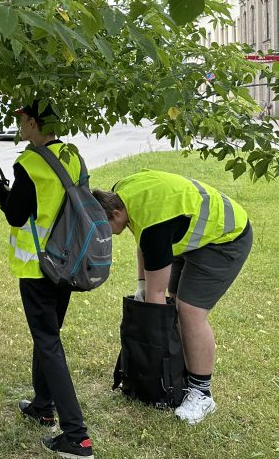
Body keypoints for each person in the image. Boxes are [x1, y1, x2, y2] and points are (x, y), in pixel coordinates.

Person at [0, 100, 95, 459]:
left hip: (38, 267)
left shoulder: (29, 163)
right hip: (68, 263)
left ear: (34, 123)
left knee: (48, 342)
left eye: (23, 119)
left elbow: (15, 215)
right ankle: (43, 406)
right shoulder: (73, 156)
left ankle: (77, 437)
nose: (20, 125)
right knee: (48, 337)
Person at [92, 170, 252, 425]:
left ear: (117, 213)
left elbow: (156, 298)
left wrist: (154, 361)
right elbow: (143, 239)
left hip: (226, 237)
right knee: (175, 303)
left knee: (189, 311)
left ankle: (202, 394)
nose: (105, 234)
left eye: (104, 227)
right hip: (187, 231)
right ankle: (182, 374)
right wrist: (141, 285)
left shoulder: (155, 226)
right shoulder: (121, 191)